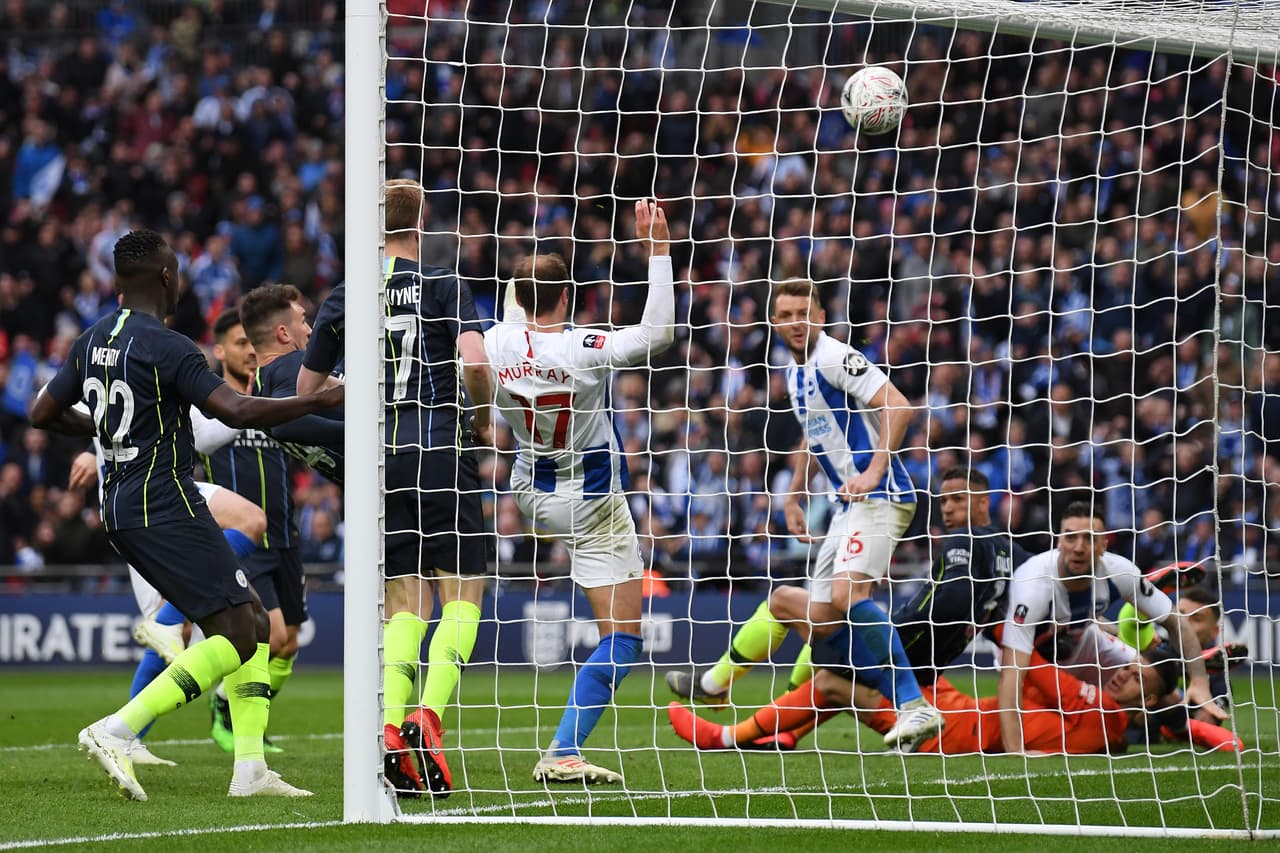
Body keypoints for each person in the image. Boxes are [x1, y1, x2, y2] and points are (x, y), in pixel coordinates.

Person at [29, 229, 344, 801]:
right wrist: (316, 399)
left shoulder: (91, 340)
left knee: (251, 620)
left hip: (123, 504)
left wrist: (102, 428)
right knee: (240, 631)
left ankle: (250, 769)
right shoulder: (169, 346)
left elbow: (42, 412)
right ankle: (116, 730)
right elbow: (237, 408)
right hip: (164, 503)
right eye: (177, 271)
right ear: (166, 277)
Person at [668, 278, 941, 749]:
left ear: (821, 317)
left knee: (848, 595)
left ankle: (914, 703)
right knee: (805, 613)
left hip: (881, 495)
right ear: (775, 322)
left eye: (805, 314)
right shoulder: (794, 373)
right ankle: (752, 705)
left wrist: (874, 471)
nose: (797, 323)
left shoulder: (835, 357)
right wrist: (794, 494)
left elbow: (898, 405)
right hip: (845, 506)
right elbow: (815, 435)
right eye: (788, 315)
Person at [297, 179, 494, 798]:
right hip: (441, 449)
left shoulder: (346, 294)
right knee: (461, 589)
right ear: (421, 221)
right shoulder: (442, 282)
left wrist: (358, 386)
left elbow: (306, 392)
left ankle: (387, 727)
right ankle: (428, 718)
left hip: (380, 462)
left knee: (403, 598)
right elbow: (475, 363)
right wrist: (482, 418)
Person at [486, 200, 673, 784]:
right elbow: (659, 334)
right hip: (592, 503)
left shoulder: (492, 343)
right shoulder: (585, 347)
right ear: (567, 298)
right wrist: (659, 251)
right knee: (623, 640)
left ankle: (564, 750)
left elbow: (515, 314)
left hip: (528, 491)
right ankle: (564, 750)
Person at [668, 465, 1027, 751]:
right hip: (928, 663)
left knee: (785, 602)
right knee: (830, 674)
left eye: (958, 499)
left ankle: (715, 687)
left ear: (984, 502)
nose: (947, 507)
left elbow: (949, 600)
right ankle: (782, 733)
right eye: (944, 500)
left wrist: (892, 628)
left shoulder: (964, 540)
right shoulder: (1009, 552)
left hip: (903, 651)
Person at [66, 441, 267, 767]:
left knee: (250, 618)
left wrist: (93, 446)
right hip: (148, 493)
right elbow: (207, 430)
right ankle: (124, 731)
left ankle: (249, 768)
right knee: (249, 522)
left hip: (159, 488)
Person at [195, 306, 338, 753]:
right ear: (221, 352)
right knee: (269, 635)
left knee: (289, 644)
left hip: (285, 536)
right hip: (246, 540)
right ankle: (229, 711)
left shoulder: (278, 398)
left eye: (250, 343)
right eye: (239, 344)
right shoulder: (216, 408)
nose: (248, 353)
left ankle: (244, 716)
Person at [997, 501, 1225, 755]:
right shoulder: (1033, 586)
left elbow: (1175, 622)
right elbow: (1011, 672)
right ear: (1059, 542)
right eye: (1071, 537)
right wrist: (1015, 751)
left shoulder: (1118, 571)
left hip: (1082, 641)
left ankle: (1185, 727)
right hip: (1031, 654)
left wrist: (1200, 681)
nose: (1079, 548)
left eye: (1090, 538)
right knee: (1056, 718)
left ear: (1104, 545)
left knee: (1150, 677)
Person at [670, 644, 1186, 756]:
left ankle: (724, 737)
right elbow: (1031, 683)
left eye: (1136, 679)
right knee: (870, 663)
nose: (1122, 675)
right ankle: (784, 733)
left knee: (831, 681)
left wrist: (1014, 616)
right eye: (1128, 667)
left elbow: (1026, 658)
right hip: (964, 709)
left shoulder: (1104, 716)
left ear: (1148, 702)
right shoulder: (1100, 718)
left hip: (951, 733)